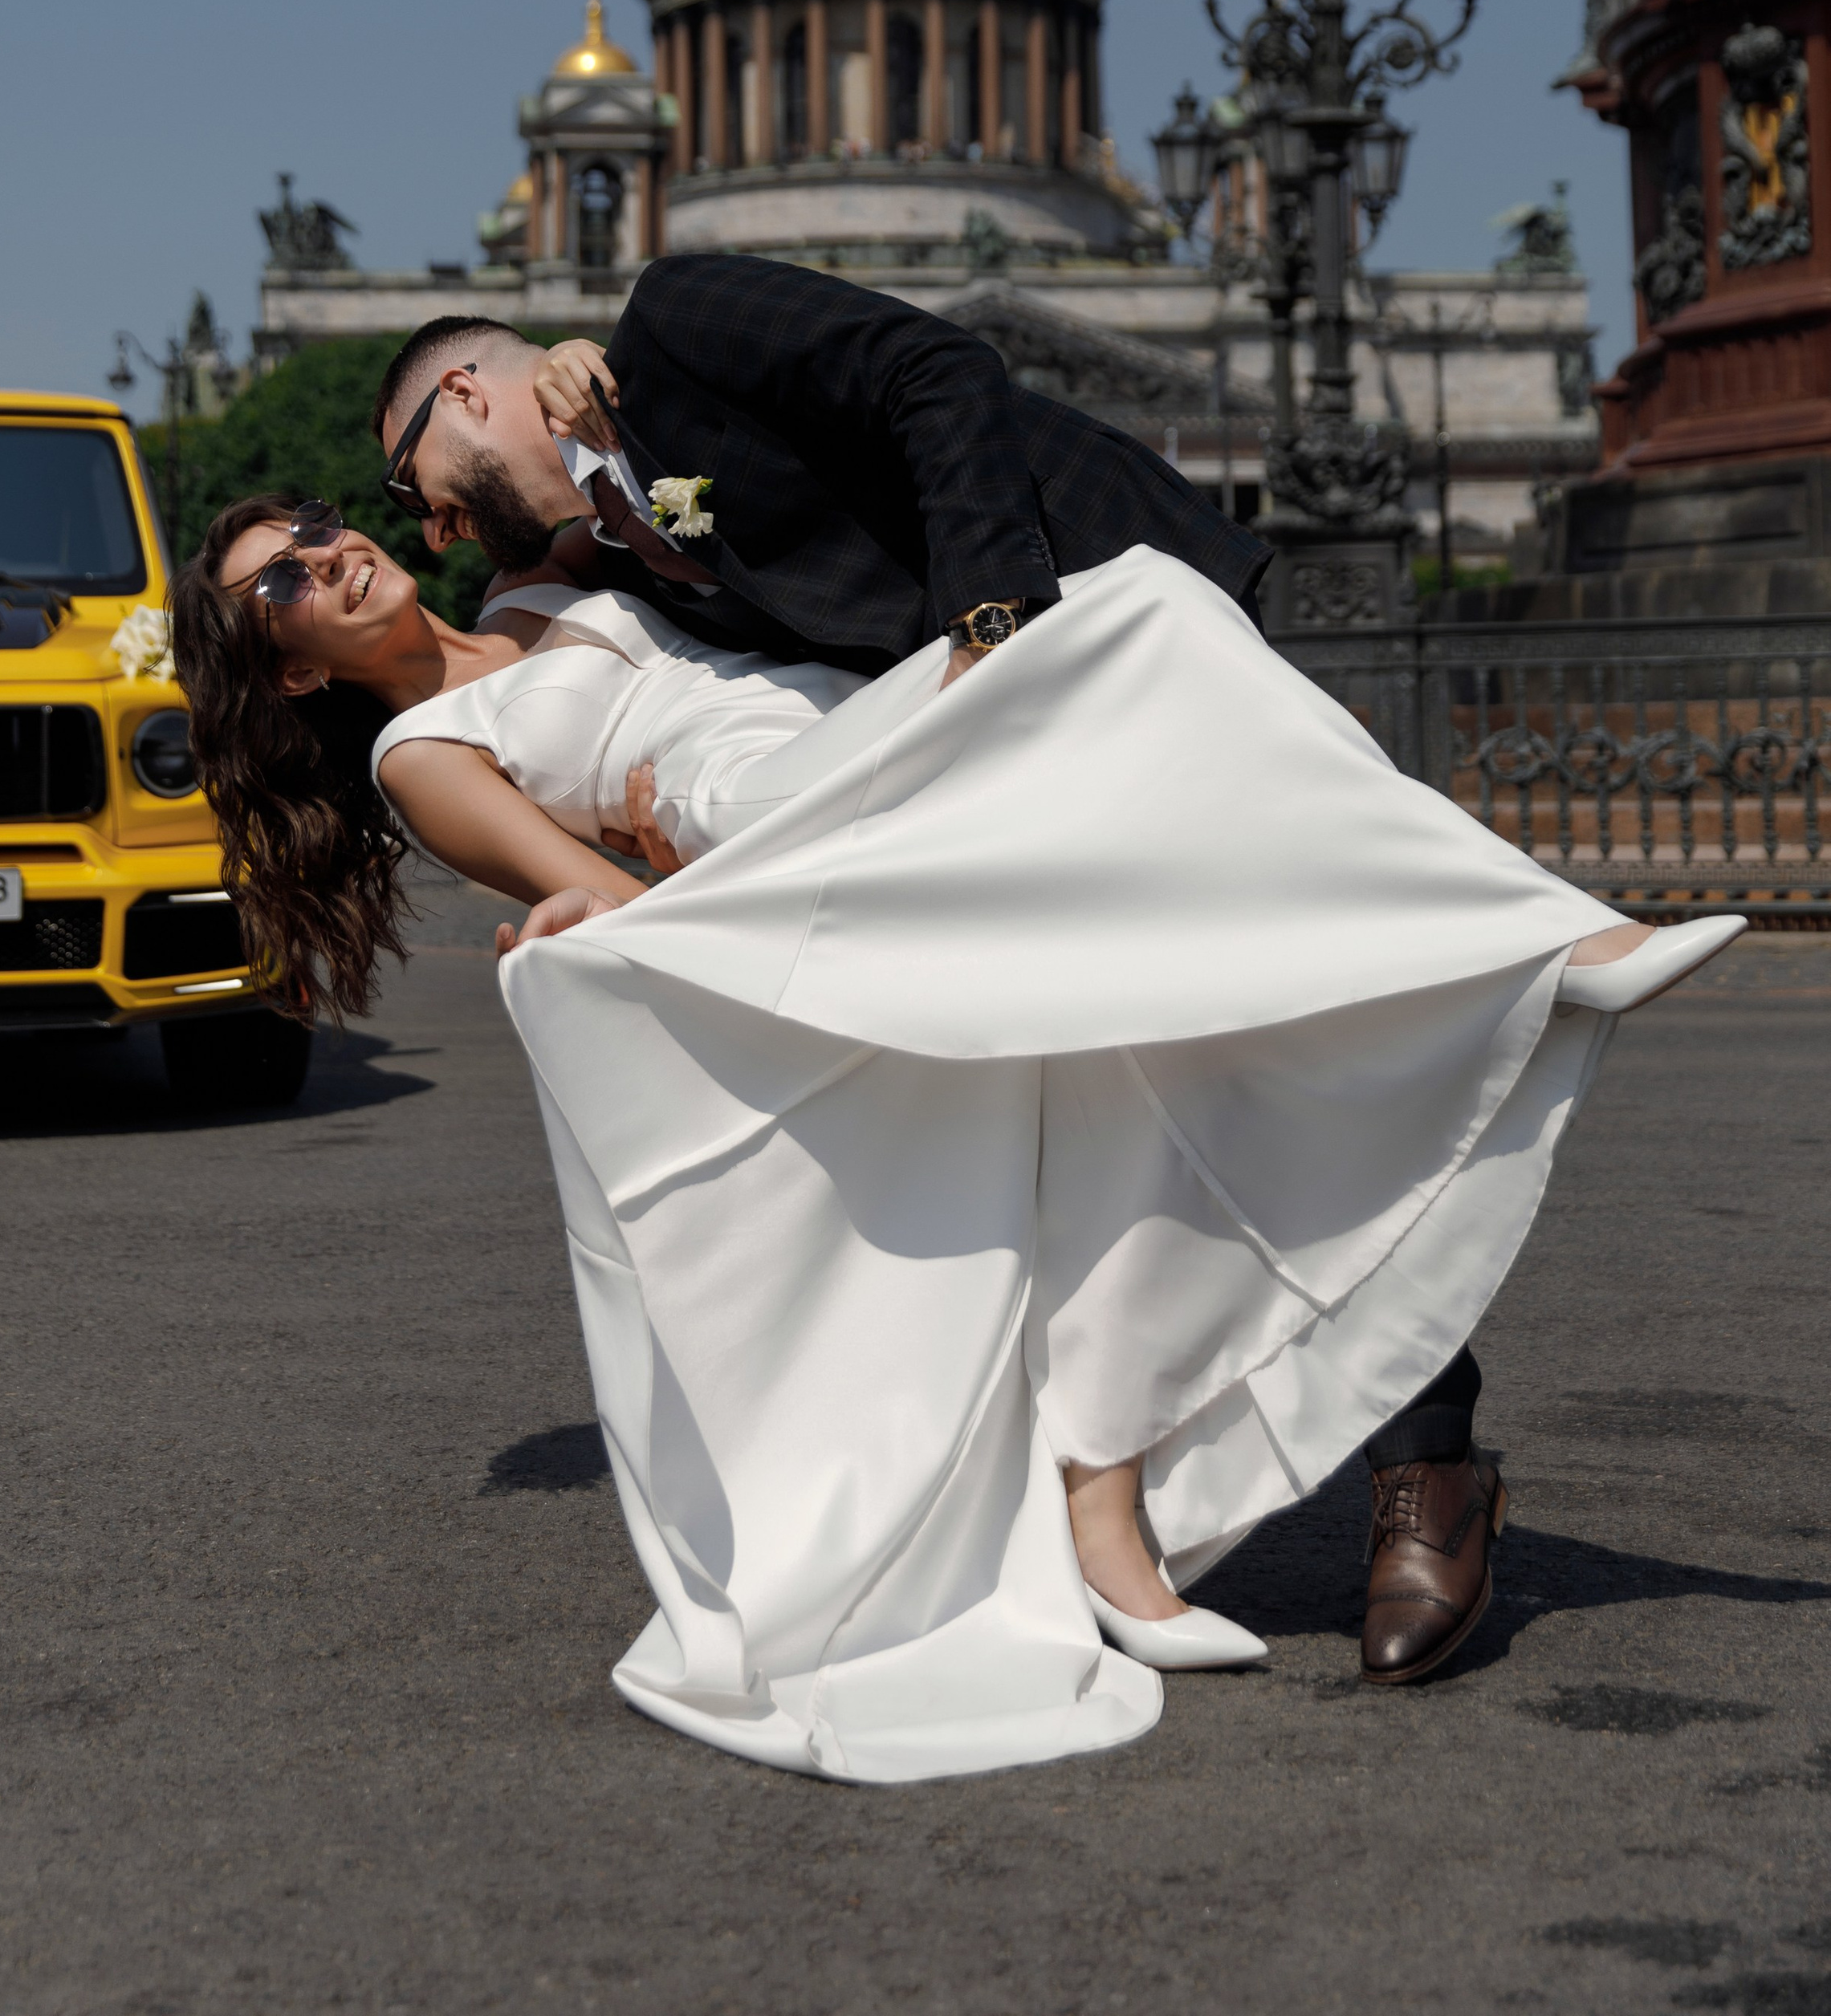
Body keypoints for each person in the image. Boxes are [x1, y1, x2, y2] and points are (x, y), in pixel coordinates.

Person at [171, 477, 1741, 1785]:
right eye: (283, 587)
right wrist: (581, 912)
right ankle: (1537, 942)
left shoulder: (542, 584)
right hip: (798, 821)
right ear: (292, 673)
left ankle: (1111, 1495)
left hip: (881, 730)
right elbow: (631, 898)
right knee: (1143, 612)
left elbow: (620, 471)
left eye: (316, 529)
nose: (326, 556)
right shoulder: (416, 755)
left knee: (1157, 769)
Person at [365, 263, 1643, 1682]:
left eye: (410, 471)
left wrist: (989, 622)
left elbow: (940, 374)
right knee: (1210, 1060)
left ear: (465, 390)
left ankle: (1426, 1430)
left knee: (1279, 1022)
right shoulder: (598, 536)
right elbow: (698, 667)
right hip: (976, 758)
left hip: (1081, 615)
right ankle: (1409, 1434)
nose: (421, 522)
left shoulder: (671, 328)